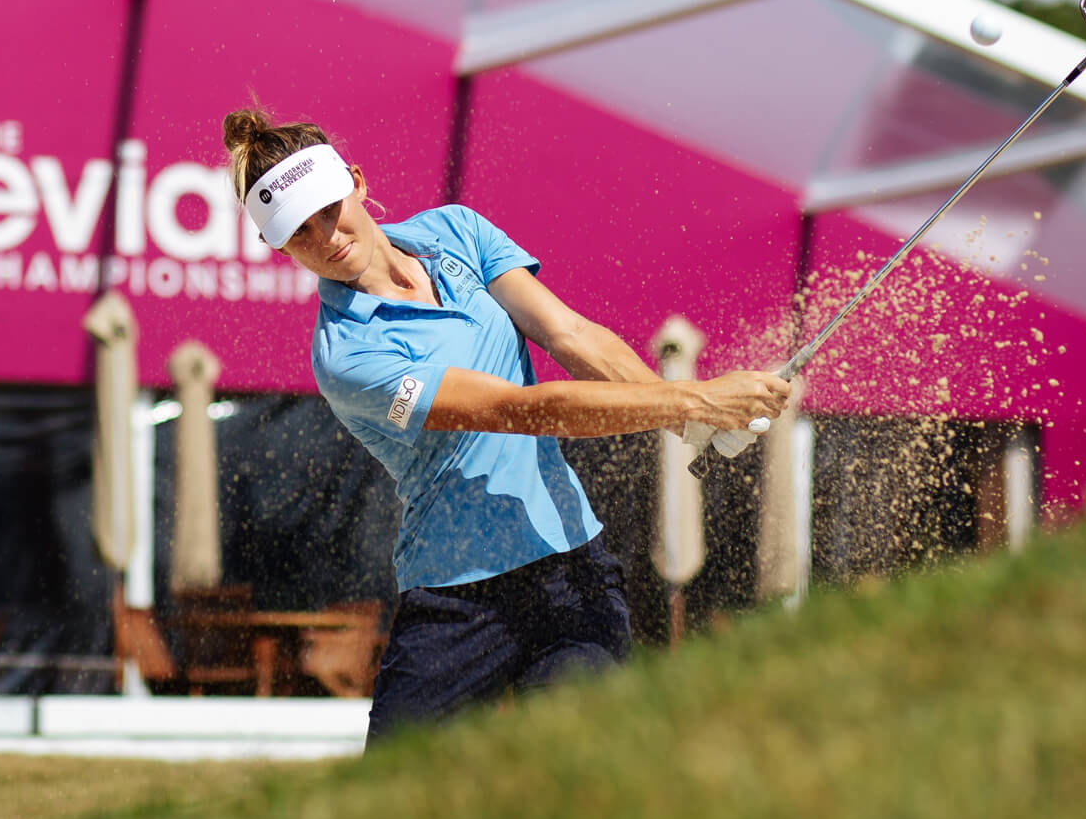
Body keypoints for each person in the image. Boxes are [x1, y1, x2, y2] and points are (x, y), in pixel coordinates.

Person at [223, 107, 790, 743]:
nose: (325, 236)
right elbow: (524, 410)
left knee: (586, 775)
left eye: (328, 209)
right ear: (278, 248)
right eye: (298, 233)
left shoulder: (455, 231)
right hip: (457, 602)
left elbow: (568, 333)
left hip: (570, 563)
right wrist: (694, 402)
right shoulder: (347, 357)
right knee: (391, 811)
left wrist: (688, 415)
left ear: (356, 181)